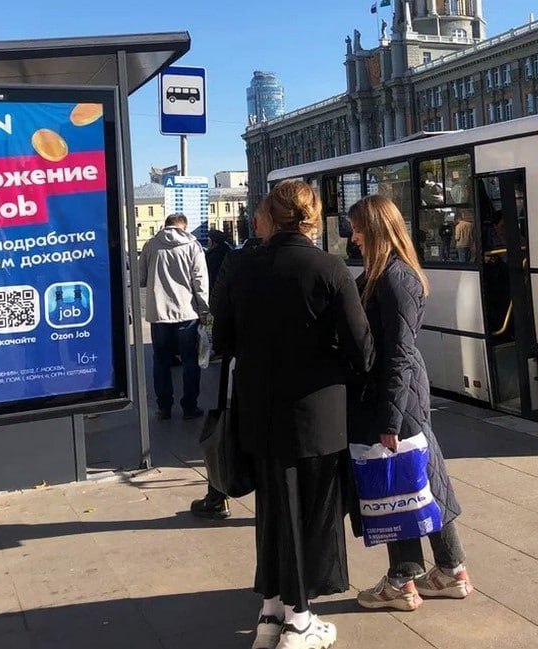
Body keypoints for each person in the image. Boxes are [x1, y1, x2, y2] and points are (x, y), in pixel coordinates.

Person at [216, 180, 374, 649]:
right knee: (310, 517)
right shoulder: (328, 268)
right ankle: (301, 621)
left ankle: (270, 614)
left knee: (272, 512)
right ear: (311, 216)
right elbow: (361, 351)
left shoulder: (240, 267)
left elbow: (223, 342)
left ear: (270, 215)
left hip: (258, 414)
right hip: (316, 416)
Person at [347, 195, 473, 612]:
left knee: (400, 480)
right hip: (402, 394)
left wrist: (389, 418)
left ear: (377, 229)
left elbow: (398, 352)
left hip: (396, 394)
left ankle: (403, 579)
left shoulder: (392, 278)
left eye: (358, 228)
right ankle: (450, 570)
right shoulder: (389, 273)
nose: (354, 237)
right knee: (421, 480)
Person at [188, 231, 266, 521]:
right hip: (283, 371)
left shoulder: (236, 261)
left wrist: (220, 347)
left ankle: (218, 495)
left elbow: (219, 313)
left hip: (239, 365)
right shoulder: (307, 260)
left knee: (225, 428)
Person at [140, 213, 209, 421]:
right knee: (190, 361)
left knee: (160, 361)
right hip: (187, 314)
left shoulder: (150, 245)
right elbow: (200, 282)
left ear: (165, 225)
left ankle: (164, 408)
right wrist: (205, 311)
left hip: (159, 314)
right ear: (184, 227)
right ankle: (189, 407)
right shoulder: (193, 246)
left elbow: (141, 278)